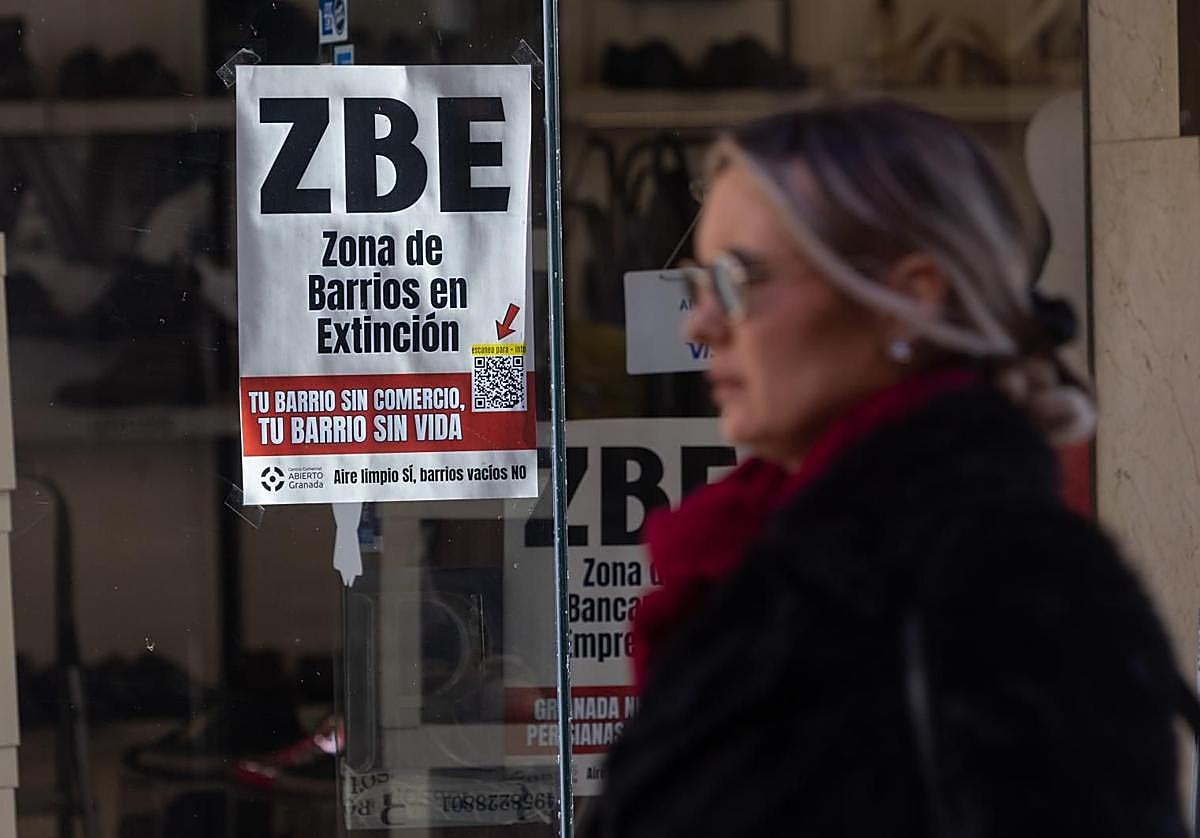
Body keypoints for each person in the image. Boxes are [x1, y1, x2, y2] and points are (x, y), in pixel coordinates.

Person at [582, 101, 1198, 837]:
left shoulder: (1009, 588)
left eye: (740, 280)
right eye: (698, 286)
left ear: (909, 300)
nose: (701, 324)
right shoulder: (748, 559)